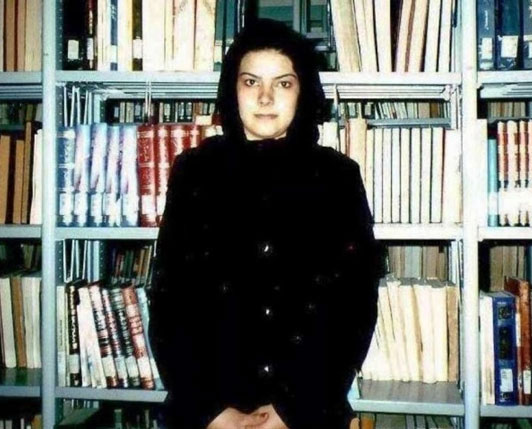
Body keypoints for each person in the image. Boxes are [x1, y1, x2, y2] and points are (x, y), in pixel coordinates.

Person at [149, 19, 380, 429]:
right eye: (251, 82)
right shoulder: (195, 172)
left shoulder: (337, 177)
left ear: (303, 91)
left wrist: (293, 409)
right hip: (207, 411)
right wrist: (211, 411)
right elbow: (170, 301)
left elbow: (354, 307)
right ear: (232, 90)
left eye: (283, 83)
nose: (265, 97)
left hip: (308, 409)